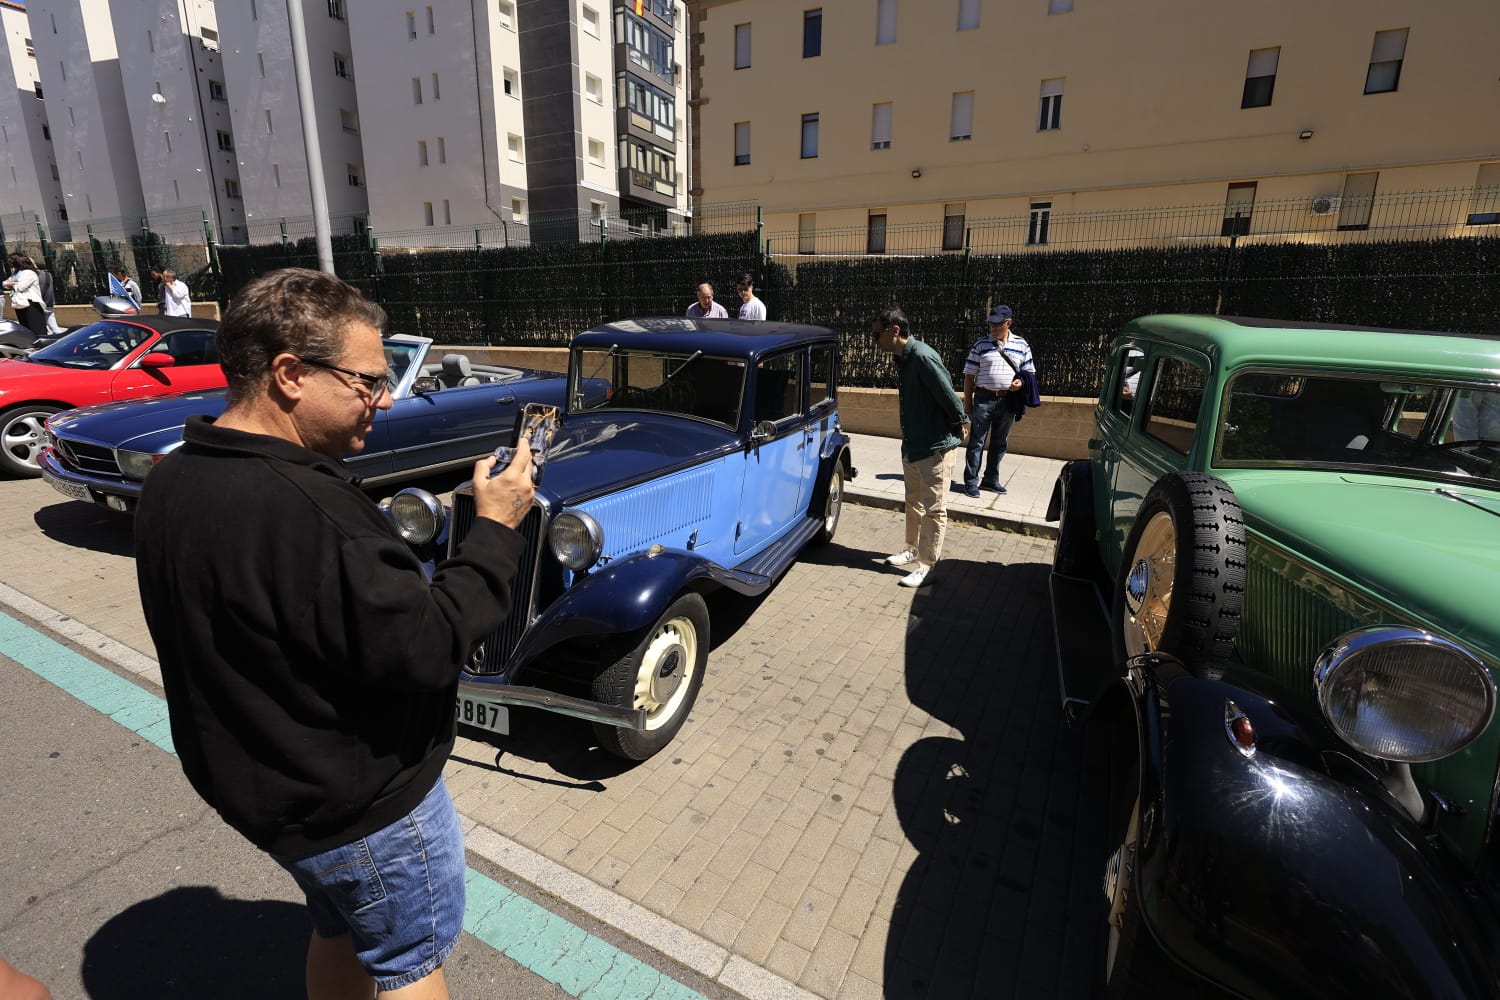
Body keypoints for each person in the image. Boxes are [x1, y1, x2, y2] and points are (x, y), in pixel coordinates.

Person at [134, 268, 537, 1000]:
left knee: (338, 928)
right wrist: (496, 529)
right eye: (367, 381)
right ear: (289, 374)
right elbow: (430, 644)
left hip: (269, 794)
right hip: (365, 807)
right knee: (410, 960)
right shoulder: (313, 513)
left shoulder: (173, 479)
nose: (384, 400)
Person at [871, 306, 968, 588]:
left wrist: (960, 421)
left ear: (895, 331)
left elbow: (947, 393)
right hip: (913, 445)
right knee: (913, 501)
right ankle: (912, 549)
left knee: (934, 508)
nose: (874, 341)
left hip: (935, 447)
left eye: (877, 335)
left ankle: (928, 565)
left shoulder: (923, 357)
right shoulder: (903, 359)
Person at [961, 304, 1036, 497]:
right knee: (977, 441)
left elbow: (1029, 372)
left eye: (997, 324)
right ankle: (971, 482)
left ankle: (991, 480)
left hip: (1008, 401)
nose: (993, 328)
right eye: (991, 325)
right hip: (984, 398)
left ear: (1008, 323)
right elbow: (969, 376)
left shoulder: (1022, 345)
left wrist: (1020, 382)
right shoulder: (980, 345)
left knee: (1000, 442)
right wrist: (967, 404)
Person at [2, 253, 46, 338]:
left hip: (31, 304)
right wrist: (12, 283)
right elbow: (5, 284)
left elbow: (21, 286)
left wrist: (12, 284)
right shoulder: (16, 274)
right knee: (26, 330)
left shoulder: (29, 273)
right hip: (19, 305)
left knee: (38, 330)